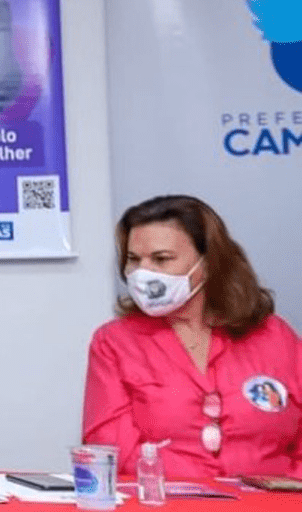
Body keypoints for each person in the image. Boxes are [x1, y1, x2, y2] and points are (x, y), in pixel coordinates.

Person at [83, 195, 302, 478]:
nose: (143, 273)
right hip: (166, 498)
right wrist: (210, 488)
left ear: (208, 263)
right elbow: (111, 447)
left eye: (161, 259)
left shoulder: (275, 336)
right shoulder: (114, 342)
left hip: (278, 497)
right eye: (134, 260)